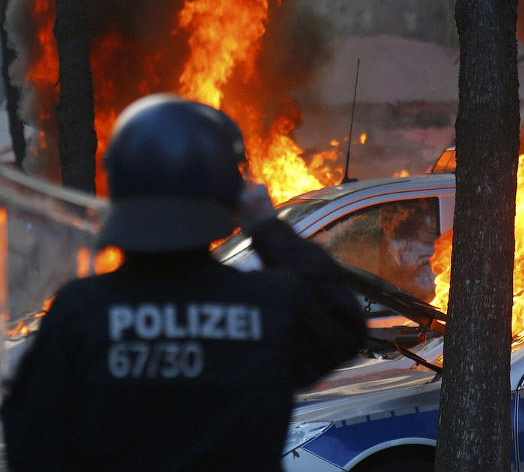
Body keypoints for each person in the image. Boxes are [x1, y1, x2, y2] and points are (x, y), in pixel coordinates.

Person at [0, 94, 367, 470]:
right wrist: (266, 227)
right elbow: (342, 319)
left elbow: (30, 444)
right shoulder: (267, 308)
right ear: (227, 193)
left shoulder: (79, 312)